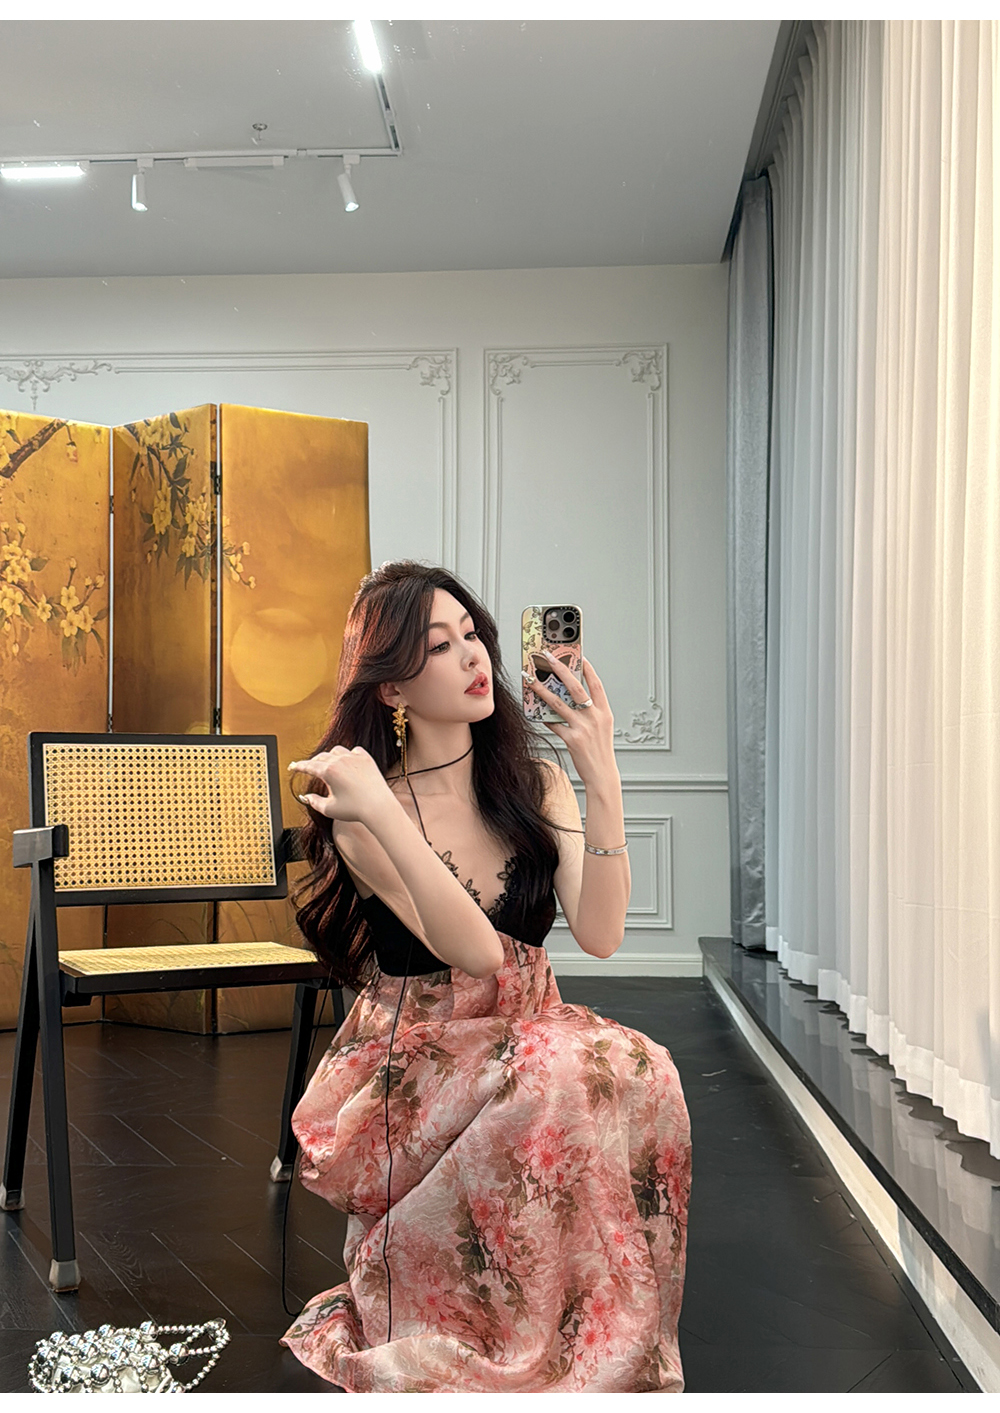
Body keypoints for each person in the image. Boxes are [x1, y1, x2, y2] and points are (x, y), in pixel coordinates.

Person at [280, 561, 690, 1393]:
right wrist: (383, 808)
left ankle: (585, 1326)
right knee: (557, 1070)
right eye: (440, 645)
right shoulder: (364, 808)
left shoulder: (532, 783)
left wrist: (601, 772)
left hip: (530, 1032)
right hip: (421, 1054)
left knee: (643, 1068)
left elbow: (602, 932)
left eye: (472, 634)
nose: (472, 657)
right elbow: (476, 951)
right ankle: (506, 1326)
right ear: (392, 687)